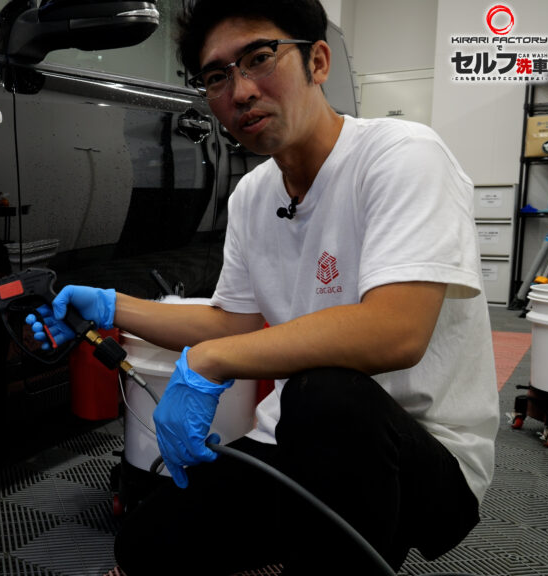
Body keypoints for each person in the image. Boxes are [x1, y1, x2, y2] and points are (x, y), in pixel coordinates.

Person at [26, 0, 499, 573]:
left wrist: (211, 361)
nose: (241, 91)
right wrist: (109, 306)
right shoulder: (253, 195)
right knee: (143, 546)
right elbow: (233, 320)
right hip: (294, 437)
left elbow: (396, 330)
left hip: (422, 455)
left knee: (324, 393)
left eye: (259, 58)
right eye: (217, 77)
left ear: (317, 61)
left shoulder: (402, 156)